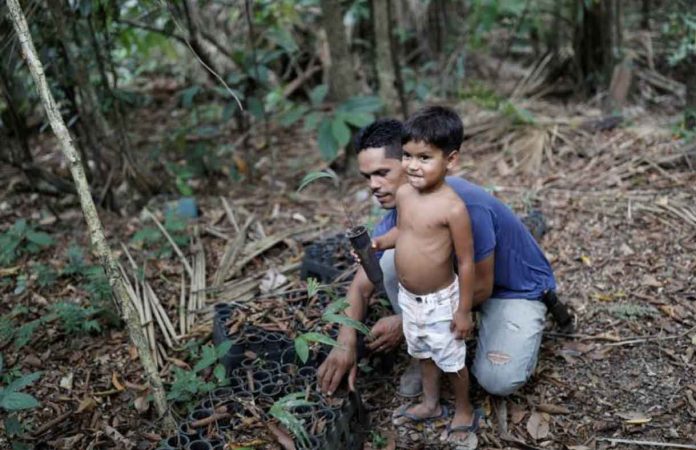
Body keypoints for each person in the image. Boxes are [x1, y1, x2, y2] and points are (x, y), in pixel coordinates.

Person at [316, 112, 555, 419]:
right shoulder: (401, 204)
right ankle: (428, 350)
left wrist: (405, 324)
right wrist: (345, 341)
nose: (374, 186)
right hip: (447, 290)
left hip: (509, 289)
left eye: (382, 172)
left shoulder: (463, 205)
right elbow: (361, 285)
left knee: (497, 379)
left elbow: (481, 283)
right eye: (367, 178)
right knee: (391, 258)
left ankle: (448, 343)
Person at [371, 106, 479, 446]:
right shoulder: (403, 193)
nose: (413, 165)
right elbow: (403, 232)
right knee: (422, 352)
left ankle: (463, 408)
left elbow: (465, 262)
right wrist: (377, 243)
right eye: (407, 155)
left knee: (451, 358)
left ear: (451, 160)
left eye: (424, 157)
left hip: (440, 300)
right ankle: (431, 403)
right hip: (410, 299)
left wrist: (463, 310)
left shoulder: (452, 208)